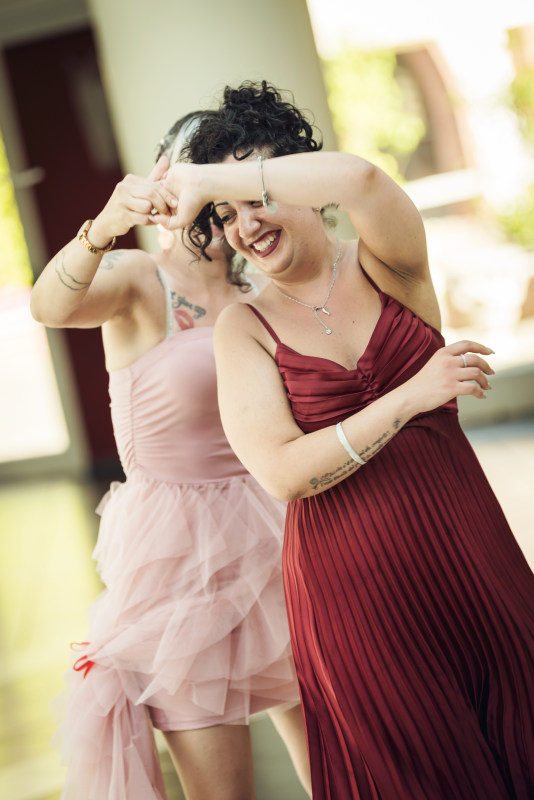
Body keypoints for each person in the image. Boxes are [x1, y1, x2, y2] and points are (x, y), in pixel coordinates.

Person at [158, 81, 534, 799]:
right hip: (355, 594)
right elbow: (281, 471)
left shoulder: (388, 260)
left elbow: (362, 179)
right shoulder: (243, 327)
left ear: (302, 179)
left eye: (256, 194)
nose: (244, 225)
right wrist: (410, 396)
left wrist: (207, 179)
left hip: (470, 551)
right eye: (224, 216)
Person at [30, 111, 312, 800]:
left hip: (276, 531)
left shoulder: (257, 289)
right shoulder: (137, 277)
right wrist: (103, 225)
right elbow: (48, 307)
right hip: (180, 557)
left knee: (333, 768)